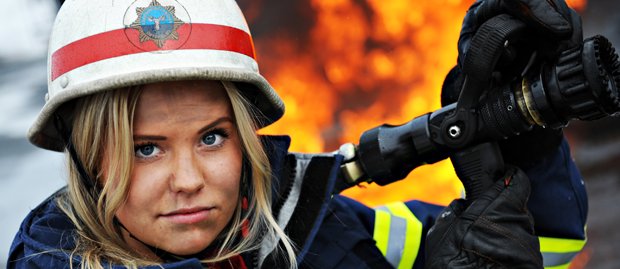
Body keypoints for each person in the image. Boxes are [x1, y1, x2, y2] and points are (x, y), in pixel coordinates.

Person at [8, 0, 588, 268]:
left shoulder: (307, 224)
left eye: (212, 138)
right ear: (87, 160)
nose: (188, 182)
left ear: (247, 138)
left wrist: (526, 143)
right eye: (145, 148)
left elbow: (551, 247)